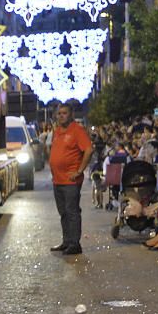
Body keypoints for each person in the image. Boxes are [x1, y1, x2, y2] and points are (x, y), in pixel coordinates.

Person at [48, 103, 93, 255]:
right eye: (59, 113)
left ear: (71, 114)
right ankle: (67, 241)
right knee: (64, 213)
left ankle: (75, 244)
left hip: (70, 181)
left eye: (64, 113)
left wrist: (79, 170)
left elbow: (88, 150)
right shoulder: (57, 131)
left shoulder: (77, 130)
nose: (61, 116)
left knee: (72, 211)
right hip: (58, 180)